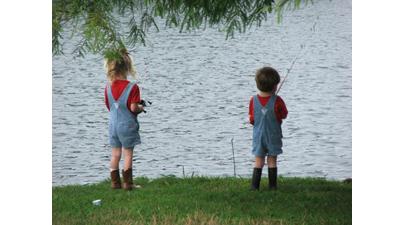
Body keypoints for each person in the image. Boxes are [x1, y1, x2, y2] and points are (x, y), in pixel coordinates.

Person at [104, 49, 144, 190]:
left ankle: (115, 183)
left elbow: (110, 106)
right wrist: (141, 108)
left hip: (112, 126)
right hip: (126, 126)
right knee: (127, 154)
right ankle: (128, 183)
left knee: (115, 154)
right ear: (127, 67)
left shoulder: (108, 87)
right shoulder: (132, 87)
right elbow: (133, 108)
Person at [249, 66, 288, 190]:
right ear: (275, 86)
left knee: (258, 161)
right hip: (273, 136)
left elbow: (252, 119)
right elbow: (284, 114)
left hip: (258, 137)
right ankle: (272, 187)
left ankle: (254, 187)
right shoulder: (278, 101)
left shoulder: (253, 100)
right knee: (272, 160)